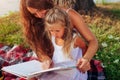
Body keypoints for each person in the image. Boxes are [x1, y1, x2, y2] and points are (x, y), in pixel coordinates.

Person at [20, 0, 98, 73]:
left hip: (69, 58)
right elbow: (38, 47)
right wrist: (45, 58)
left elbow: (92, 41)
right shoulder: (35, 21)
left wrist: (85, 59)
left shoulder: (69, 15)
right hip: (50, 61)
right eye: (34, 14)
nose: (40, 15)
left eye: (40, 9)